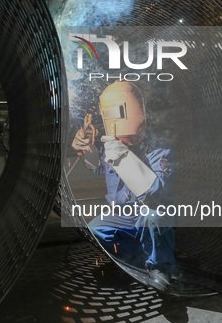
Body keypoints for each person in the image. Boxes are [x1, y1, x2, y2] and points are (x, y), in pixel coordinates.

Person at [71, 80, 177, 290]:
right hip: (124, 215)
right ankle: (133, 258)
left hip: (150, 212)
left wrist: (122, 155)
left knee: (153, 216)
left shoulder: (158, 148)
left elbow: (155, 193)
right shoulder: (112, 143)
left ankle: (161, 267)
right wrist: (88, 150)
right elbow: (100, 168)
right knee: (96, 229)